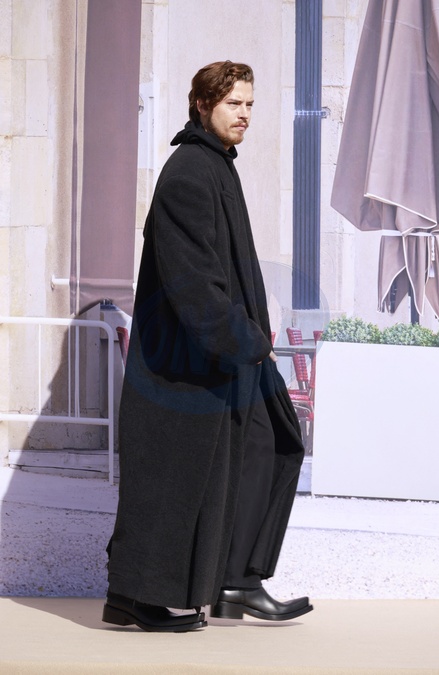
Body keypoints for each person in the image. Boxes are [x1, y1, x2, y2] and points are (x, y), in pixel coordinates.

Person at [103, 61, 313, 632]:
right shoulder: (189, 174)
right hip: (189, 366)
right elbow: (193, 281)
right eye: (233, 104)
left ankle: (235, 581)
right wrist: (248, 341)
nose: (244, 114)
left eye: (250, 104)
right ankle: (134, 597)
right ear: (202, 104)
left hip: (225, 357)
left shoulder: (217, 164)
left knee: (265, 448)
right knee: (170, 482)